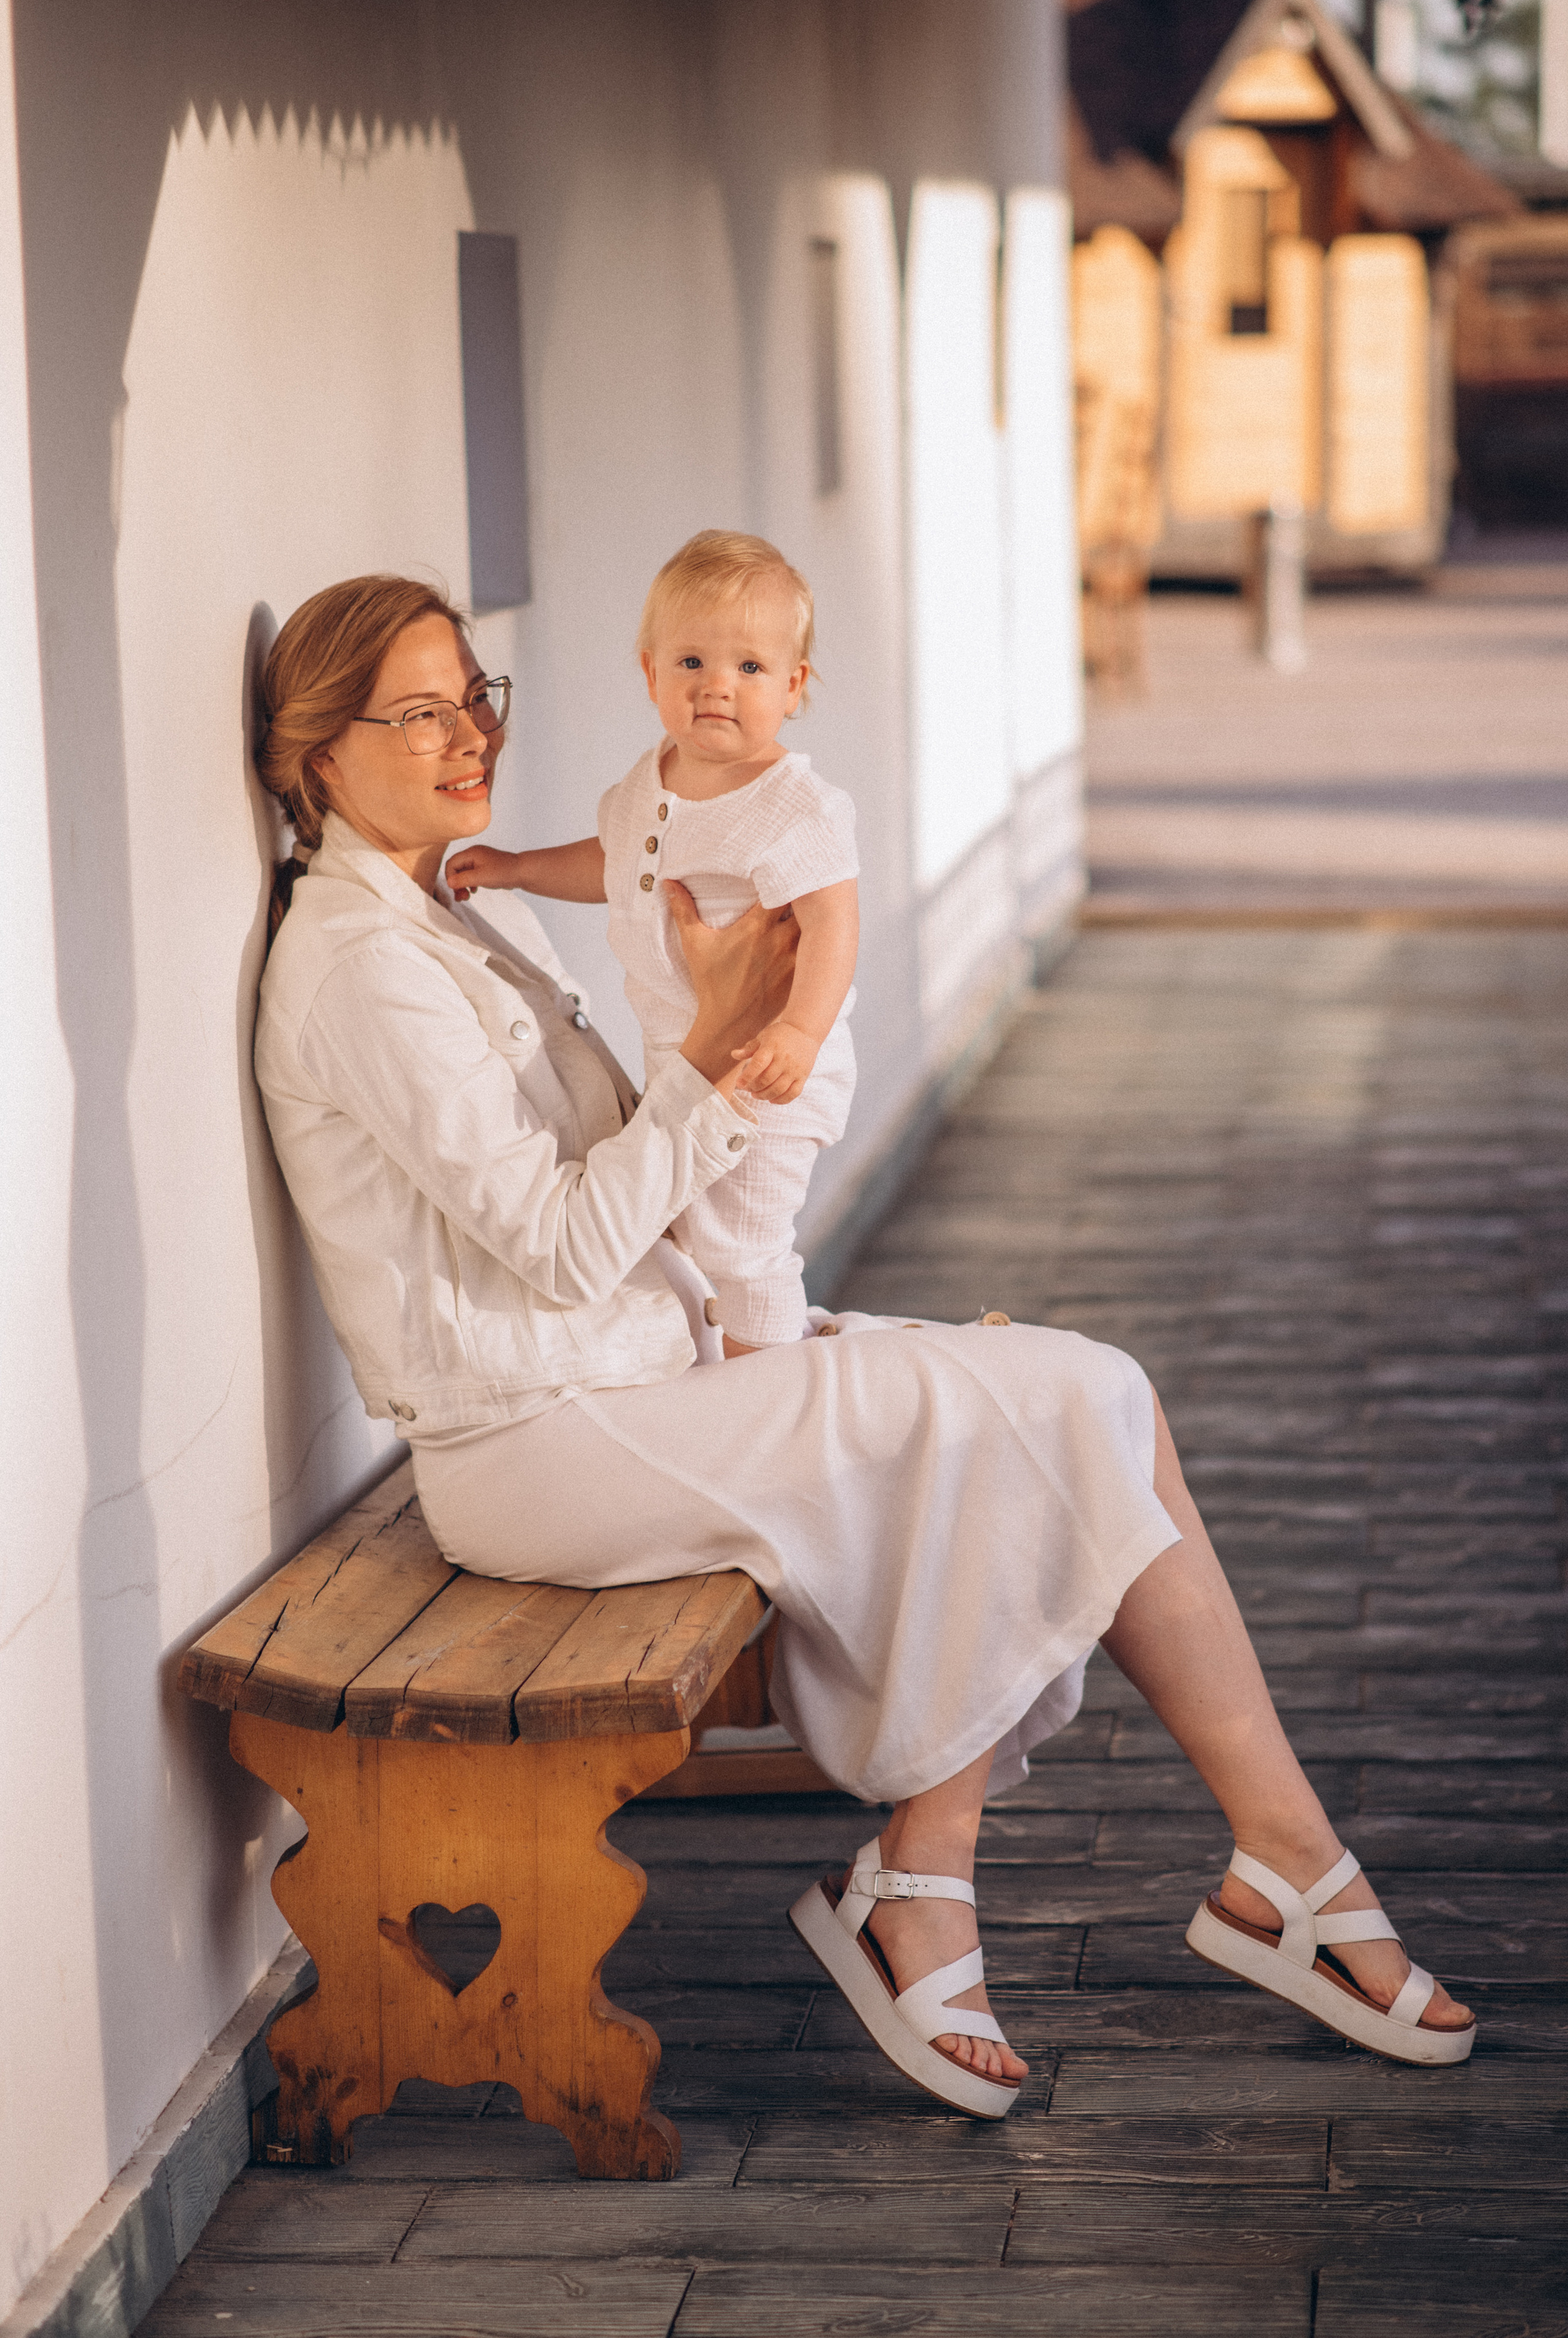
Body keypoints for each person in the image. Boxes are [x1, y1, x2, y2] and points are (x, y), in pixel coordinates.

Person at [252, 572, 1474, 2123]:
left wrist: (753, 1287)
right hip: (541, 1441)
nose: (465, 736)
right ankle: (955, 1883)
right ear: (316, 759)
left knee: (1093, 1397)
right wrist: (709, 1053)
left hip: (636, 1377)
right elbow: (557, 1243)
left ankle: (1260, 1866)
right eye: (414, 714)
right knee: (1016, 1410)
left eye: (474, 698)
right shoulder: (362, 968)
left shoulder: (445, 918)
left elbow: (610, 1203)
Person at [446, 530, 859, 1358]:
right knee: (695, 1234)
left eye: (749, 668)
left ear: (793, 686)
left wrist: (800, 1031)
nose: (717, 687)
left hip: (772, 1070)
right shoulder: (651, 780)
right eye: (693, 663)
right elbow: (615, 860)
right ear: (651, 673)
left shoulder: (794, 806)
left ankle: (773, 1381)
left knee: (742, 1242)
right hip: (688, 1061)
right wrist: (522, 865)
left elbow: (832, 923)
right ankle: (744, 1358)